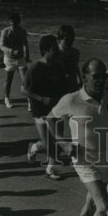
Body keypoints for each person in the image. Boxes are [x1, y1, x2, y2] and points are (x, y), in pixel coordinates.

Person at [48, 58, 108, 216]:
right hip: (83, 159)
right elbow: (50, 119)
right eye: (96, 76)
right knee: (104, 204)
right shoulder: (71, 100)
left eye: (104, 76)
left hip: (106, 157)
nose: (101, 80)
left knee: (92, 200)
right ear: (84, 77)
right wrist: (63, 142)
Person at [24, 35, 64, 180]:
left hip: (56, 109)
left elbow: (62, 88)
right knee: (48, 143)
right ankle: (34, 147)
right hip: (40, 110)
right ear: (45, 50)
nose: (57, 51)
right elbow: (25, 90)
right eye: (54, 48)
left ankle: (50, 169)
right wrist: (41, 98)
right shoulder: (35, 68)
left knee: (58, 140)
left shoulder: (58, 67)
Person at [0, 12, 30, 108]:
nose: (13, 23)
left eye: (15, 21)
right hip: (9, 59)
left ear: (19, 22)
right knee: (8, 80)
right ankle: (7, 98)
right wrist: (11, 51)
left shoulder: (22, 31)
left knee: (25, 80)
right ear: (9, 22)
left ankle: (29, 101)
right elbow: (1, 46)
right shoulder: (5, 31)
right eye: (11, 21)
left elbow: (25, 44)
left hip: (20, 59)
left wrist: (27, 55)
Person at [56, 24, 82, 94]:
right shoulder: (55, 53)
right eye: (67, 39)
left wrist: (80, 80)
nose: (70, 41)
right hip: (58, 84)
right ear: (59, 39)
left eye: (72, 38)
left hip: (72, 83)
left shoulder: (75, 52)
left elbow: (76, 67)